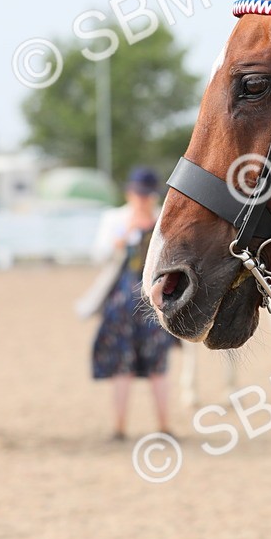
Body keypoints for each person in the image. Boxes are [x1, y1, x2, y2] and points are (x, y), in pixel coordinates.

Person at [90, 166, 175, 441]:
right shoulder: (115, 218)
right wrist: (124, 236)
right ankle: (119, 427)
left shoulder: (165, 218)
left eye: (147, 195)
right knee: (120, 365)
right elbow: (99, 255)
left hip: (153, 301)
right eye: (139, 194)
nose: (143, 200)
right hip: (121, 301)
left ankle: (165, 425)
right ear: (130, 193)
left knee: (158, 364)